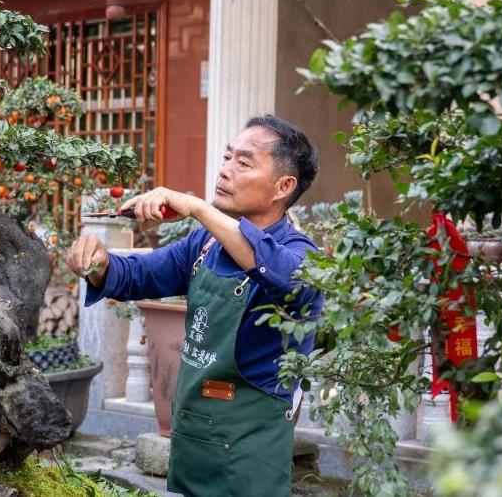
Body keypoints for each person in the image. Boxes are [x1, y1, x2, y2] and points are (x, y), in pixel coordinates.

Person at [66, 114, 323, 496]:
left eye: (243, 162)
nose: (225, 170)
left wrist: (197, 208)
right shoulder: (205, 244)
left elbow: (284, 275)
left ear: (283, 186)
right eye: (227, 157)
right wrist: (100, 264)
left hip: (250, 456)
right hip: (190, 445)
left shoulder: (302, 256)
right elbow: (138, 275)